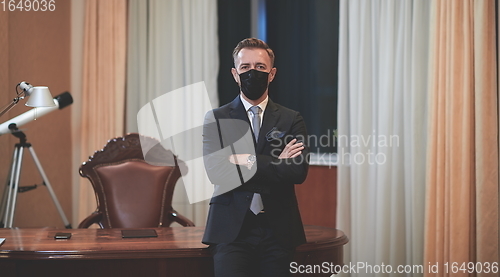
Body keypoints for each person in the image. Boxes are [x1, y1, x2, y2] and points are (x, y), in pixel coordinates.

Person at [202, 38, 309, 277]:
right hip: (230, 231)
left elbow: (297, 171)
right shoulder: (216, 119)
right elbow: (216, 172)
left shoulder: (292, 119)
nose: (253, 73)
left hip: (279, 230)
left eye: (260, 67)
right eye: (245, 67)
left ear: (272, 74)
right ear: (234, 73)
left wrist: (240, 159)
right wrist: (275, 162)